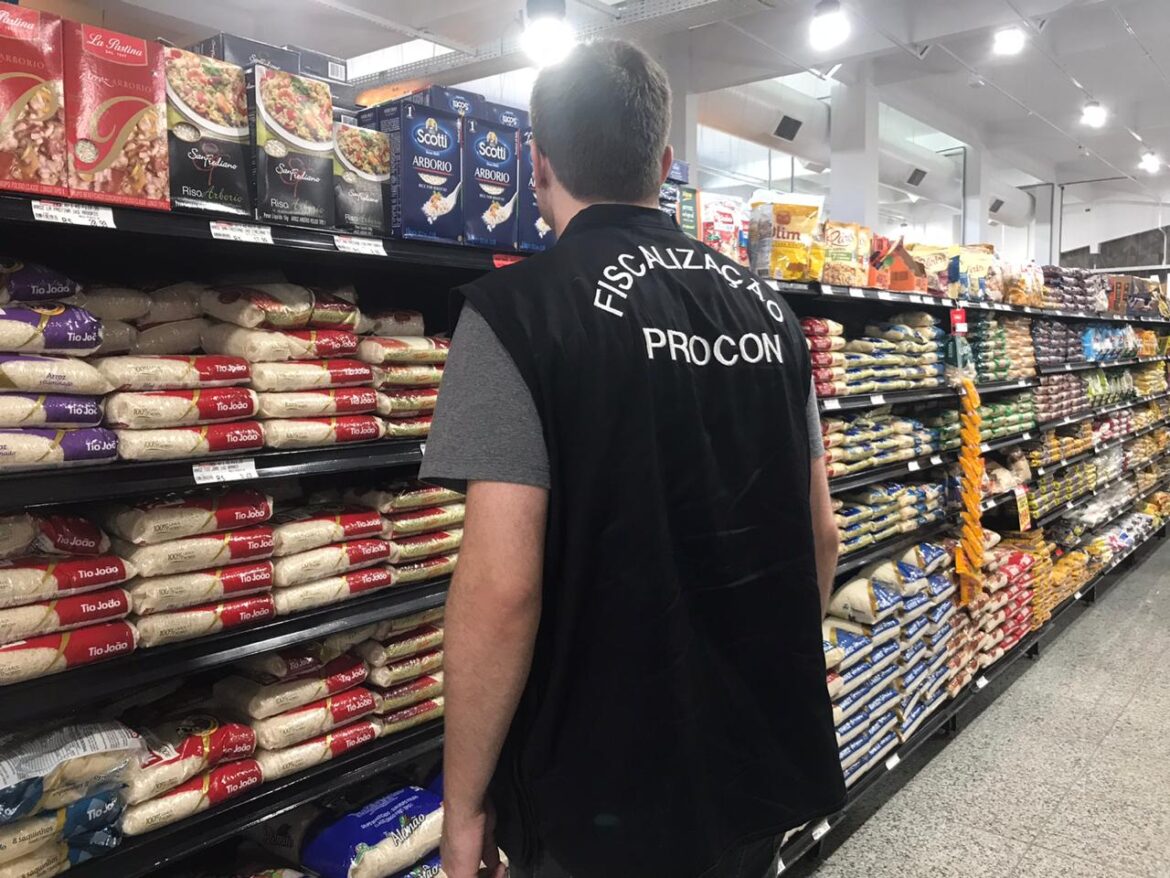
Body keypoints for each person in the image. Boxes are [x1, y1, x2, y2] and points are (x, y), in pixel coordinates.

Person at [420, 38, 846, 878]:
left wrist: (463, 803)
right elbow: (820, 537)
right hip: (751, 768)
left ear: (537, 164)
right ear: (665, 163)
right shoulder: (771, 315)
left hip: (596, 792)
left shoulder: (515, 315)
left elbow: (502, 591)